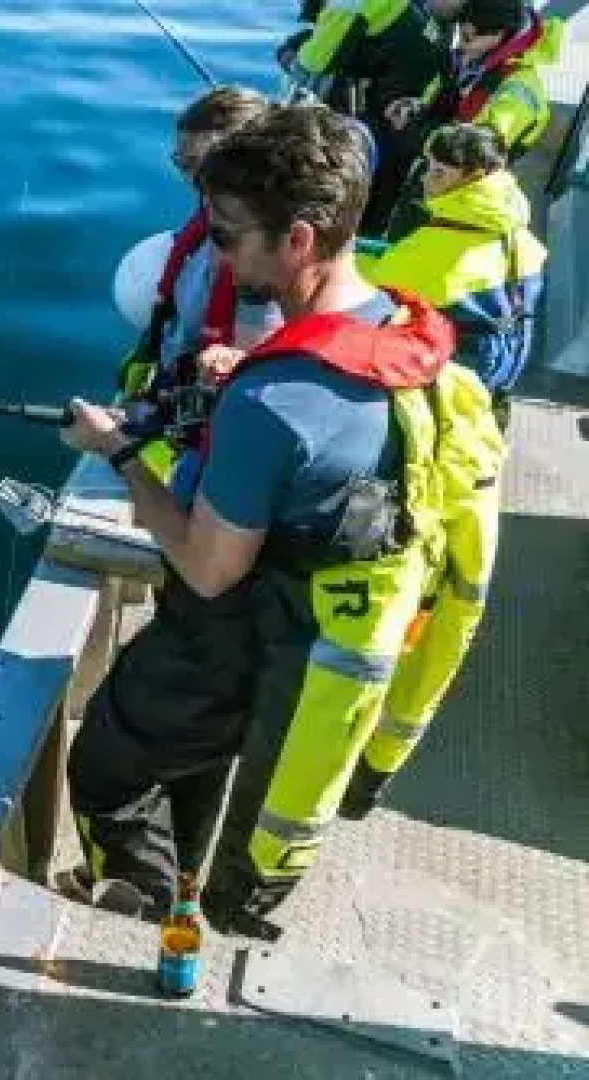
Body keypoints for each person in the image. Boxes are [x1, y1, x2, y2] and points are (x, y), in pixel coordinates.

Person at [59, 104, 505, 939]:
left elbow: (207, 566)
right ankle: (184, 878)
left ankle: (144, 914)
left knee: (105, 775)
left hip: (250, 637)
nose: (216, 250)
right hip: (334, 626)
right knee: (198, 769)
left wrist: (117, 449)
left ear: (298, 239)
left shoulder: (277, 404)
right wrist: (247, 373)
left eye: (227, 234)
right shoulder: (403, 328)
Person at [115, 85, 282, 500]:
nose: (188, 176)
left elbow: (248, 368)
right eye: (179, 161)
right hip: (179, 388)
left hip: (213, 425)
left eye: (195, 163)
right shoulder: (211, 217)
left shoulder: (257, 262)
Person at [359, 122, 545, 423]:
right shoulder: (514, 230)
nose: (426, 181)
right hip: (497, 371)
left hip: (447, 378)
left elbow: (367, 289)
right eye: (428, 167)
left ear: (474, 176)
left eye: (439, 173)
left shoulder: (437, 247)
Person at [279, 0, 467, 236]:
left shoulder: (346, 4)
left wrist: (288, 54)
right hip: (416, 105)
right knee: (379, 197)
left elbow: (311, 66)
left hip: (389, 117)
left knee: (349, 192)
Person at [386, 0, 561, 168]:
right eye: (459, 35)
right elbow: (445, 95)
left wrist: (420, 135)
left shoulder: (517, 93)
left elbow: (475, 151)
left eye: (467, 38)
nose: (461, 45)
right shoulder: (475, 59)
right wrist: (417, 107)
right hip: (435, 166)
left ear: (498, 34)